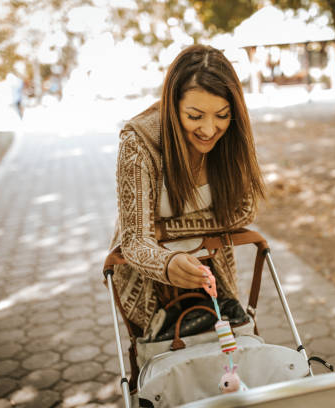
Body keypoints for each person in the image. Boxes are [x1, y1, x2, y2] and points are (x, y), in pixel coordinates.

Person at [108, 44, 266, 338]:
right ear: (172, 106)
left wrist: (167, 229)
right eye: (195, 116)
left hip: (214, 272)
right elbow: (135, 240)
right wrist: (166, 263)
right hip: (148, 284)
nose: (209, 130)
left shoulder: (232, 135)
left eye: (221, 115)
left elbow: (245, 209)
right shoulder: (138, 144)